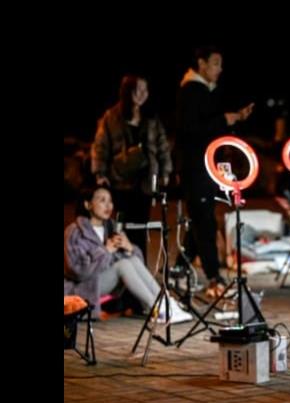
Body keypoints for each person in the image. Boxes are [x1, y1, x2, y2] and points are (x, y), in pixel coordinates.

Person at [175, 45, 254, 298]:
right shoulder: (191, 91)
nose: (220, 69)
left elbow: (210, 126)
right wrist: (226, 120)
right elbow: (193, 130)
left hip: (206, 167)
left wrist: (234, 119)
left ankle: (179, 266)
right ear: (201, 64)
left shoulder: (205, 91)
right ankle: (213, 277)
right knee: (204, 221)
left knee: (201, 217)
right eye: (216, 63)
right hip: (195, 167)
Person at [64, 184, 192, 323]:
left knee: (131, 260)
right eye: (102, 200)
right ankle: (157, 308)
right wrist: (105, 251)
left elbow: (137, 265)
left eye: (110, 201)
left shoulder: (112, 227)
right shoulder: (75, 231)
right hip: (81, 287)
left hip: (105, 281)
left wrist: (129, 247)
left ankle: (165, 302)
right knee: (123, 265)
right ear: (88, 204)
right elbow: (78, 271)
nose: (108, 205)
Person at [91, 74, 173, 258]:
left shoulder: (151, 117)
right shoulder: (111, 116)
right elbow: (100, 146)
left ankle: (140, 267)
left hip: (145, 182)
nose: (143, 94)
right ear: (128, 92)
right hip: (120, 181)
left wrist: (165, 171)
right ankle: (121, 271)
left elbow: (162, 145)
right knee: (120, 228)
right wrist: (100, 172)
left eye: (146, 90)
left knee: (141, 227)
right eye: (138, 90)